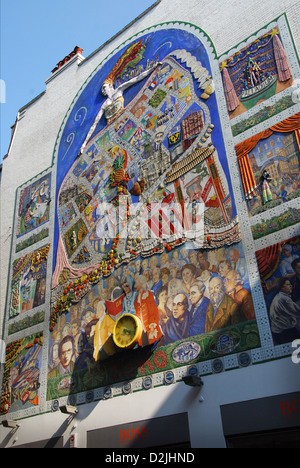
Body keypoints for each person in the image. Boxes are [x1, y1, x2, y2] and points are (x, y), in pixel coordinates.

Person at [79, 59, 161, 154]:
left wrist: (153, 68)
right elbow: (94, 124)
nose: (103, 90)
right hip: (114, 127)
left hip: (125, 120)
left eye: (104, 87)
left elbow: (137, 79)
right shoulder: (105, 104)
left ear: (110, 85)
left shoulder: (119, 90)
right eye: (102, 89)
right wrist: (84, 144)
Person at [134, 275, 163, 346]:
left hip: (150, 327)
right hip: (142, 328)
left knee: (153, 343)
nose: (135, 285)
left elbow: (153, 310)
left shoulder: (148, 294)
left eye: (136, 283)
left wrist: (152, 325)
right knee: (144, 346)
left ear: (141, 283)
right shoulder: (137, 297)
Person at [270, 277, 300, 344]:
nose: (291, 286)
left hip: (277, 332)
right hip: (284, 333)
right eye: (288, 285)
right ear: (282, 288)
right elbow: (297, 312)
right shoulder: (284, 299)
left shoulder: (279, 296)